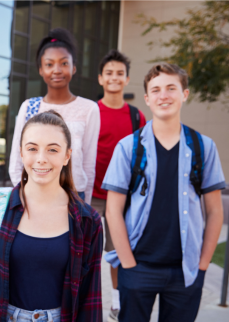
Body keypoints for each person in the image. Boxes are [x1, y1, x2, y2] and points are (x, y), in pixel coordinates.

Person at [103, 63, 225, 322]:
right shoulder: (128, 148)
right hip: (138, 267)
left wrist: (202, 265)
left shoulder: (204, 147)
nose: (164, 95)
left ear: (185, 94)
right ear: (147, 98)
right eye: (156, 90)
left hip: (186, 272)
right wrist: (127, 263)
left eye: (172, 88)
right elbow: (112, 210)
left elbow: (215, 211)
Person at [0, 110, 103, 322]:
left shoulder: (87, 221)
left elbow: (91, 299)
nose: (41, 159)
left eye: (53, 149)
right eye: (32, 148)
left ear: (67, 155)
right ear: (21, 153)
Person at [8, 28, 99, 205]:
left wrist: (85, 204)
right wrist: (23, 194)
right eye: (49, 64)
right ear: (41, 70)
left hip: (75, 195)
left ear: (73, 68)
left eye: (64, 63)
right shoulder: (30, 107)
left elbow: (88, 164)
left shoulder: (89, 109)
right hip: (34, 194)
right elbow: (16, 161)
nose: (57, 70)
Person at [91, 49, 146, 322]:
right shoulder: (91, 111)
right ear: (100, 78)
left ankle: (116, 303)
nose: (114, 78)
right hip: (90, 194)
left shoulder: (137, 117)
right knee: (84, 251)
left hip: (122, 197)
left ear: (127, 79)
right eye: (109, 73)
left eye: (119, 74)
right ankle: (84, 301)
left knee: (117, 252)